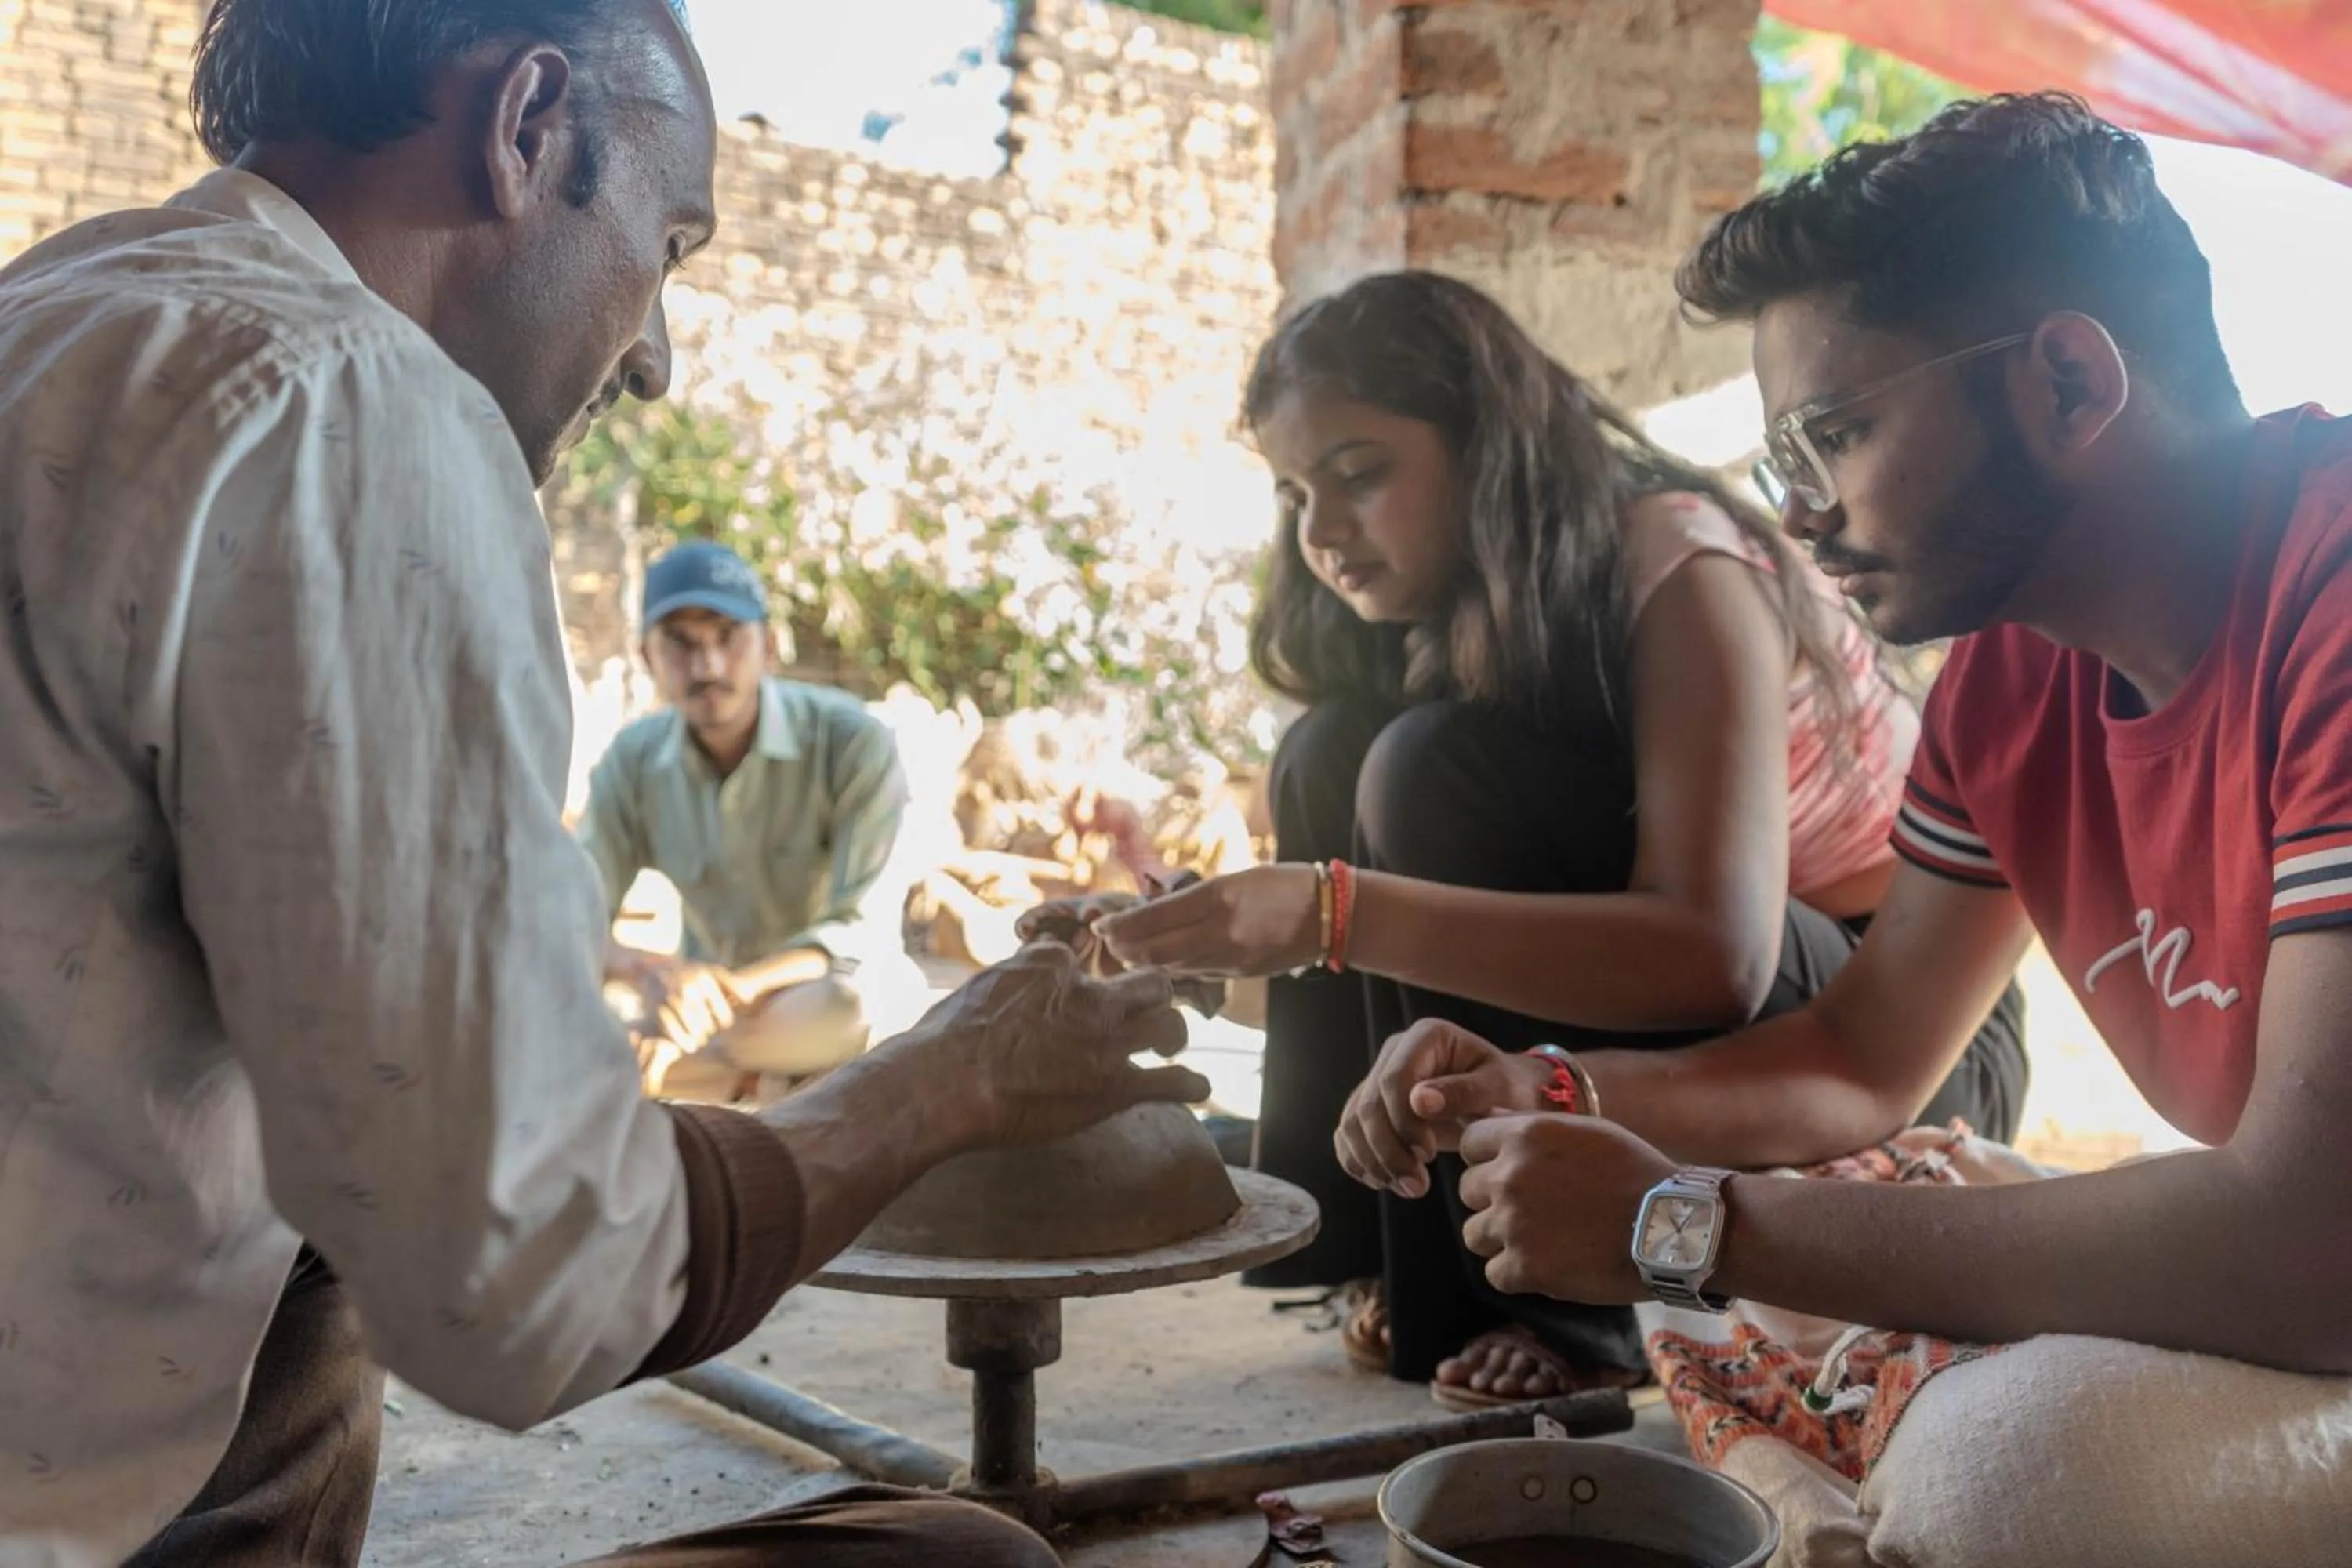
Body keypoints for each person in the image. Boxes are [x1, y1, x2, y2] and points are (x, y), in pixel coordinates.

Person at [0, 2, 1208, 1564]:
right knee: (971, 1557)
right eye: (671, 238)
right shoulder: (356, 407)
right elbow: (533, 1263)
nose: (653, 353)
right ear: (527, 130)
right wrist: (955, 1077)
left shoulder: (63, 306)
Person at [1338, 94, 2352, 1560]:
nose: (1800, 515)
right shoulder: (2015, 679)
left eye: (1835, 433)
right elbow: (1859, 1057)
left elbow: (2314, 1248)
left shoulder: (2330, 593)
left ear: (2069, 383)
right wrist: (1548, 1091)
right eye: (1783, 463)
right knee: (1871, 1240)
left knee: (2017, 1477)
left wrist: (1686, 1225)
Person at [1030, 271, 2027, 1410]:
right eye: (1295, 492)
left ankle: (1573, 1302)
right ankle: (1366, 1225)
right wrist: (1208, 942)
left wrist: (1326, 911)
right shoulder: (1476, 610)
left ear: (1486, 447)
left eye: (1360, 476)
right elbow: (1421, 947)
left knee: (1424, 770)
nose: (1322, 531)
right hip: (1739, 1020)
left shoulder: (1682, 563)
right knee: (1333, 749)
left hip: (1898, 1030)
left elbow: (1715, 954)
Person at [579, 539, 924, 1102]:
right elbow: (575, 914)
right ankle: (758, 1080)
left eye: (727, 638)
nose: (707, 666)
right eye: (681, 644)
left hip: (804, 1000)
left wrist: (728, 994)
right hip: (697, 1007)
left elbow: (859, 931)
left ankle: (680, 1069)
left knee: (860, 1004)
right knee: (541, 1003)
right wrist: (649, 972)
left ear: (768, 646)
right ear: (648, 656)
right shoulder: (632, 761)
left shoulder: (851, 742)